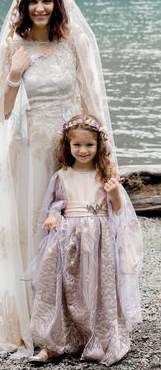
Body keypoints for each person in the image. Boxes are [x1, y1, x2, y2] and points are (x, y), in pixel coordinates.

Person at [0, 0, 116, 359]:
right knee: (33, 235)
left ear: (57, 6)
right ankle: (34, 324)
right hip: (28, 154)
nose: (40, 8)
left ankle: (74, 321)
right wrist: (15, 74)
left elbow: (91, 101)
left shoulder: (75, 43)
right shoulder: (13, 45)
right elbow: (2, 111)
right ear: (23, 8)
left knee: (73, 233)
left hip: (67, 153)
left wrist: (101, 158)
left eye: (46, 2)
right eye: (32, 2)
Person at [29, 114, 142, 366]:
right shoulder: (62, 175)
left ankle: (97, 337)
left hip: (98, 238)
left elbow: (118, 210)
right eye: (77, 144)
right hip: (68, 237)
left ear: (99, 146)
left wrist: (114, 193)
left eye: (89, 145)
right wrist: (52, 215)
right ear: (68, 146)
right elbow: (57, 202)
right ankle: (55, 342)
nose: (83, 150)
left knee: (96, 284)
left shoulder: (105, 175)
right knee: (63, 286)